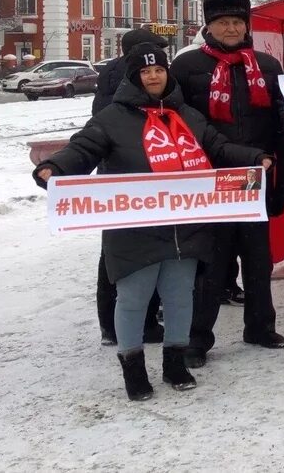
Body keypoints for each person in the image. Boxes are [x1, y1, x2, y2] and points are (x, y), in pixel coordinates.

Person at [33, 43, 270, 401]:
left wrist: (255, 157)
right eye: (145, 71)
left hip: (185, 225)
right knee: (133, 298)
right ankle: (134, 368)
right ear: (134, 77)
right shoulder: (112, 118)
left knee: (179, 297)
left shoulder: (187, 115)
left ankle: (175, 363)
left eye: (159, 69)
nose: (154, 76)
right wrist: (56, 167)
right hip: (136, 227)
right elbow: (83, 148)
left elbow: (217, 148)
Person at [170, 0, 284, 368]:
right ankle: (197, 339)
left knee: (258, 261)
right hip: (209, 179)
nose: (230, 28)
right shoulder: (187, 66)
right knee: (212, 264)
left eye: (237, 22)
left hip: (256, 175)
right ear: (208, 27)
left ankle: (259, 326)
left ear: (247, 26)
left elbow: (282, 126)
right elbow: (175, 122)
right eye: (222, 22)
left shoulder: (268, 65)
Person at [92, 27, 168, 347]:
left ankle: (111, 324)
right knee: (141, 252)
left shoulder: (111, 74)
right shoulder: (129, 84)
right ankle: (143, 323)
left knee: (114, 252)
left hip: (117, 175)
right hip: (134, 174)